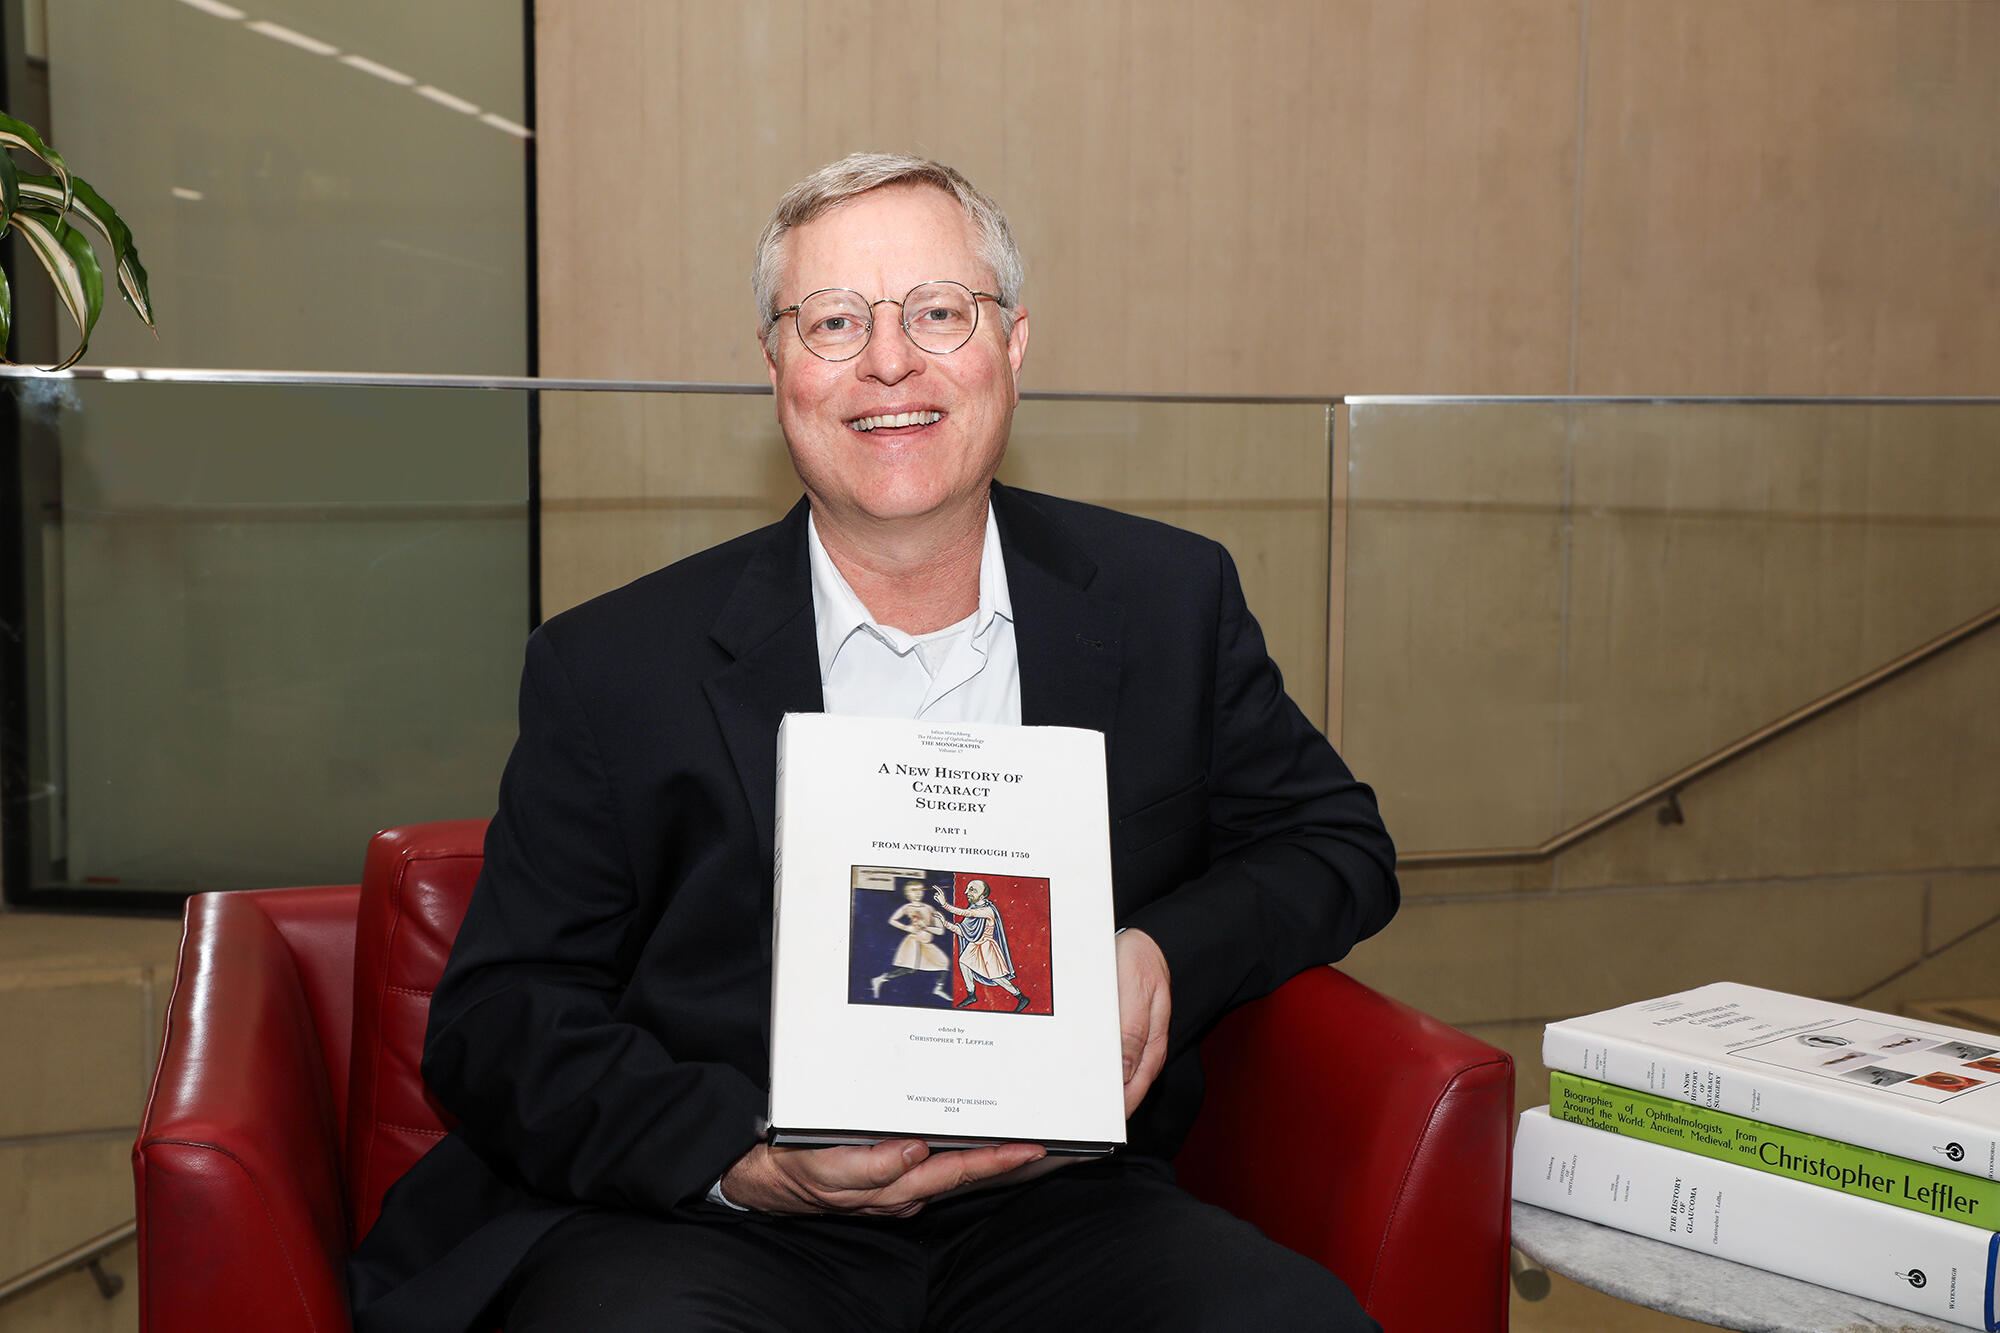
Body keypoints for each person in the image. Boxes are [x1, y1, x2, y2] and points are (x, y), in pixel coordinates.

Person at [347, 153, 1398, 1332]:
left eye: (938, 312)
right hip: (713, 1224)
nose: (888, 361)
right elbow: (499, 1020)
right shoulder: (612, 665)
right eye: (834, 320)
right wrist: (746, 1156)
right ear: (776, 367)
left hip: (1063, 1215)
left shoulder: (1168, 600)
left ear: (1012, 346)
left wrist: (1160, 949)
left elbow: (1335, 843)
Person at [932, 879, 1029, 1012]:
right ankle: (971, 994)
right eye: (968, 889)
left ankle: (1020, 997)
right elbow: (964, 931)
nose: (967, 893)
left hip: (987, 947)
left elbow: (964, 913)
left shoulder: (987, 910)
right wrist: (945, 923)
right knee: (963, 962)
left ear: (983, 896)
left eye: (972, 890)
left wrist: (945, 905)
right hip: (975, 946)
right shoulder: (973, 908)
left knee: (996, 976)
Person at [870, 880, 950, 1000]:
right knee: (910, 968)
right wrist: (906, 927)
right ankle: (879, 979)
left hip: (926, 943)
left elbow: (940, 931)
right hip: (914, 942)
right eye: (913, 890)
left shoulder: (929, 908)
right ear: (907, 893)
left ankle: (938, 988)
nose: (917, 893)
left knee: (944, 962)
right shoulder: (907, 907)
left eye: (920, 890)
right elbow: (892, 920)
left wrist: (926, 927)